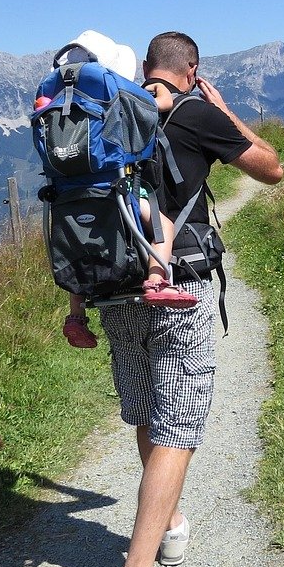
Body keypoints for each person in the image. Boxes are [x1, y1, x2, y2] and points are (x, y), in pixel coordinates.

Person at [96, 31, 283, 567]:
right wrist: (224, 109)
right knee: (179, 429)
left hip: (117, 287)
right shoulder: (198, 112)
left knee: (148, 411)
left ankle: (170, 523)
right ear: (192, 70)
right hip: (179, 289)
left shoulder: (111, 111)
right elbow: (271, 168)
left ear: (146, 67)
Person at [45, 31, 197, 351]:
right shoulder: (117, 94)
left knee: (75, 244)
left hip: (67, 194)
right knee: (164, 227)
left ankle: (76, 317)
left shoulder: (54, 96)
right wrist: (156, 92)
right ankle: (156, 280)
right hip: (115, 188)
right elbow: (163, 104)